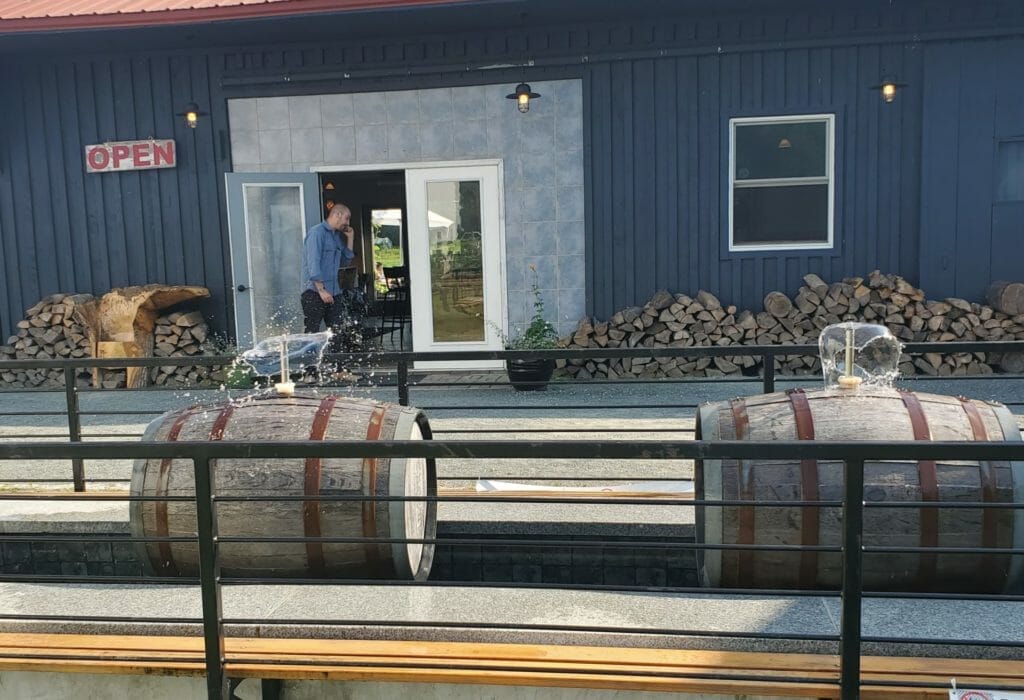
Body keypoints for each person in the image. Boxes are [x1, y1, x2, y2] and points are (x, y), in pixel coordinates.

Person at [301, 203, 355, 377]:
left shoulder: (336, 236)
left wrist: (350, 238)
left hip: (334, 291)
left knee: (338, 329)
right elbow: (313, 263)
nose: (347, 222)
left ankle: (340, 370)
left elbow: (345, 262)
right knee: (313, 331)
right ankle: (310, 371)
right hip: (315, 292)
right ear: (337, 214)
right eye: (346, 218)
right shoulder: (317, 233)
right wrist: (321, 289)